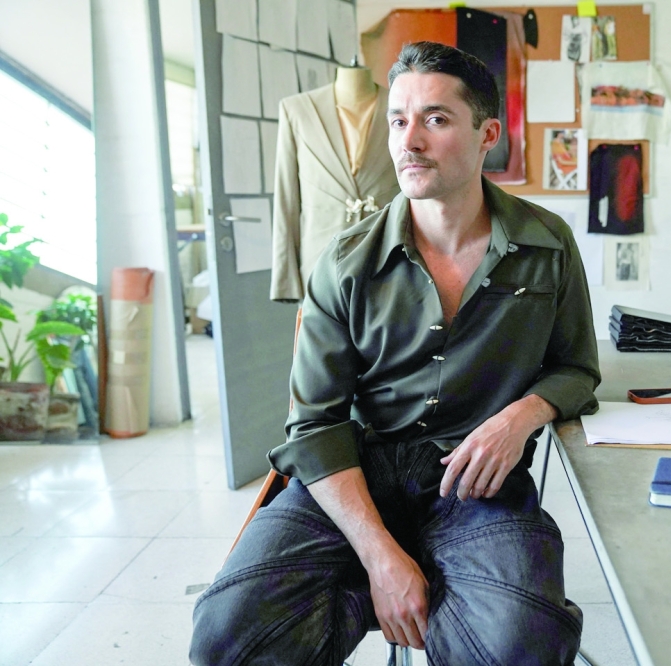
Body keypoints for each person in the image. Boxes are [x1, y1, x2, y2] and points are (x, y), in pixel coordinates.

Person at [190, 41, 601, 665]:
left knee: (523, 645)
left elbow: (577, 368)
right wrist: (380, 560)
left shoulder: (547, 243)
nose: (409, 142)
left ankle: (414, 605)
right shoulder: (344, 262)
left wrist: (520, 417)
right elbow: (315, 425)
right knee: (225, 635)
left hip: (474, 484)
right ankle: (372, 596)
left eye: (436, 119)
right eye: (399, 120)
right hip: (356, 477)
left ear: (487, 133)